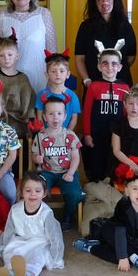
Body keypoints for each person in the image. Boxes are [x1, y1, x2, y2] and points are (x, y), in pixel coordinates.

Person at [74, 168, 138, 274]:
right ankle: (134, 257)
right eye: (135, 189)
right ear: (127, 191)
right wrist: (123, 256)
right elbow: (119, 230)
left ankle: (91, 247)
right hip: (123, 236)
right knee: (110, 234)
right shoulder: (123, 205)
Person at [0, 171, 64, 276]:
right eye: (28, 190)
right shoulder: (15, 209)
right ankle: (10, 275)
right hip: (20, 239)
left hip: (40, 242)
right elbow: (9, 229)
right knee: (12, 253)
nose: (33, 194)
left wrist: (56, 258)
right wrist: (4, 246)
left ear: (44, 194)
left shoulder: (46, 213)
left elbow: (55, 236)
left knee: (37, 258)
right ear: (22, 193)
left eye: (37, 191)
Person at [31, 96, 83, 231]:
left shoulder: (70, 135)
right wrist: (37, 158)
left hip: (66, 171)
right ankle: (40, 217)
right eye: (51, 114)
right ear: (44, 116)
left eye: (59, 113)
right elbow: (34, 154)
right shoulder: (40, 136)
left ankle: (68, 217)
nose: (55, 117)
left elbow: (75, 158)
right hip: (46, 172)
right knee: (37, 190)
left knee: (74, 193)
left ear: (65, 116)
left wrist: (71, 173)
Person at [75, 0, 136, 86]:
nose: (105, 1)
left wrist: (112, 71)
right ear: (94, 1)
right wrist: (87, 80)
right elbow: (79, 58)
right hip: (94, 83)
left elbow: (131, 57)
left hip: (121, 83)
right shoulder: (85, 27)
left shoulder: (125, 26)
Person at [82, 47, 130, 182]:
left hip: (117, 134)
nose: (110, 67)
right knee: (97, 162)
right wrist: (87, 134)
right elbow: (87, 111)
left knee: (114, 162)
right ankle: (96, 187)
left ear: (120, 67)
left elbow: (127, 112)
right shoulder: (93, 86)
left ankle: (112, 187)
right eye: (105, 63)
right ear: (99, 66)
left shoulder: (125, 87)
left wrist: (126, 132)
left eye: (114, 64)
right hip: (97, 133)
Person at [34, 51, 81, 131]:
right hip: (46, 134)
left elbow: (74, 119)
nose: (58, 74)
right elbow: (39, 117)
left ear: (68, 74)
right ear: (47, 74)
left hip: (65, 135)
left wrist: (67, 134)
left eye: (61, 71)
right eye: (53, 71)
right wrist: (45, 134)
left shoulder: (73, 96)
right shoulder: (41, 94)